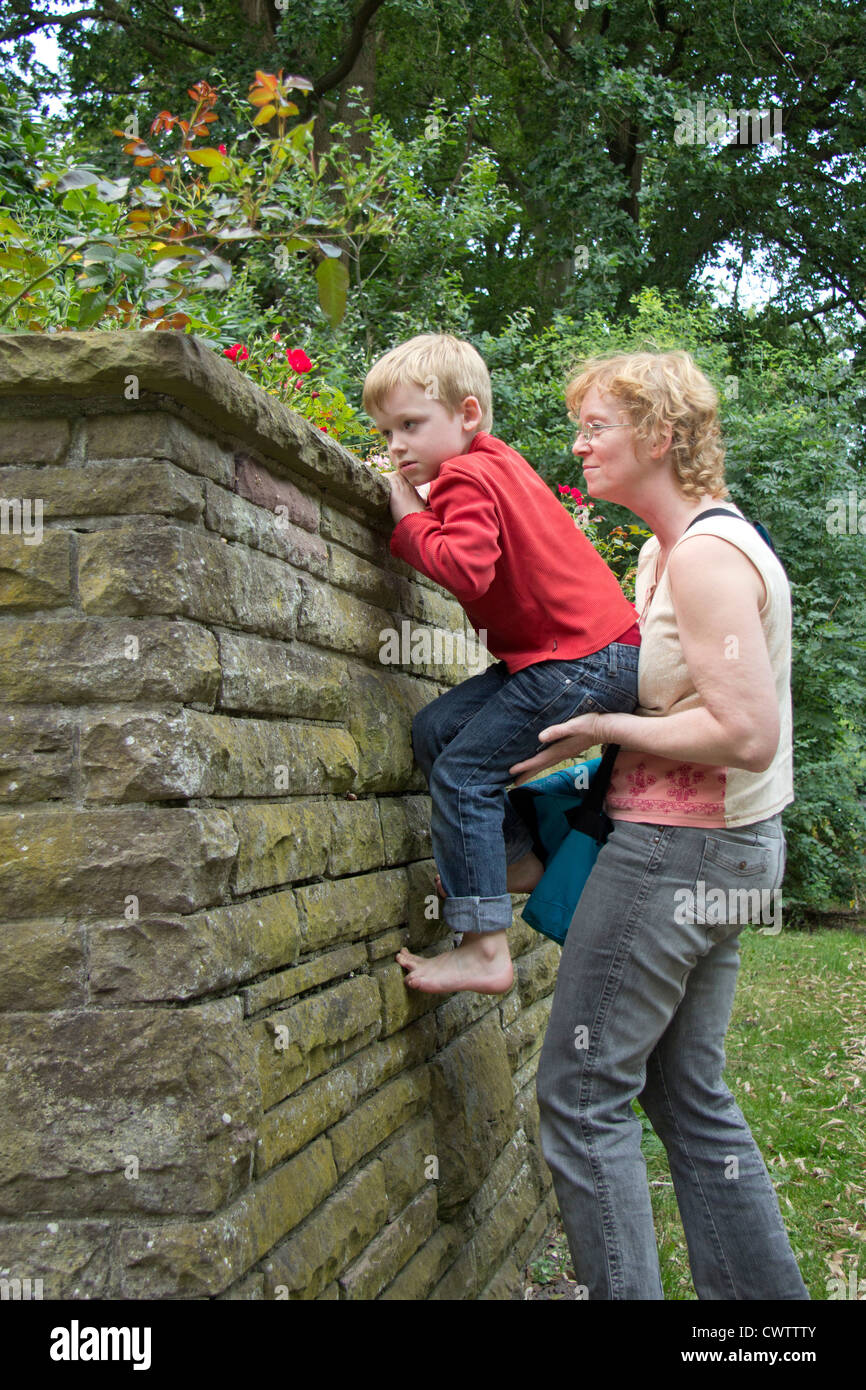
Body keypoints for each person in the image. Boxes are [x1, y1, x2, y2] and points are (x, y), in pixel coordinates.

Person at [509, 349, 809, 1299]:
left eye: (597, 426)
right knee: (688, 1098)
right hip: (728, 856)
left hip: (681, 853)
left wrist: (606, 728)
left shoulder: (709, 559)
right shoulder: (663, 551)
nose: (579, 443)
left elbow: (748, 733)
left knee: (582, 1095)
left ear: (661, 436)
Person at [363, 332, 641, 995]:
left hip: (576, 659)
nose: (396, 444)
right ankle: (507, 861)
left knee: (463, 773)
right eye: (385, 431)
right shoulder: (497, 461)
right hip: (585, 655)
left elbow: (466, 565)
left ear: (466, 415)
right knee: (438, 732)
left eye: (410, 425)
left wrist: (407, 514)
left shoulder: (461, 473)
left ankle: (485, 948)